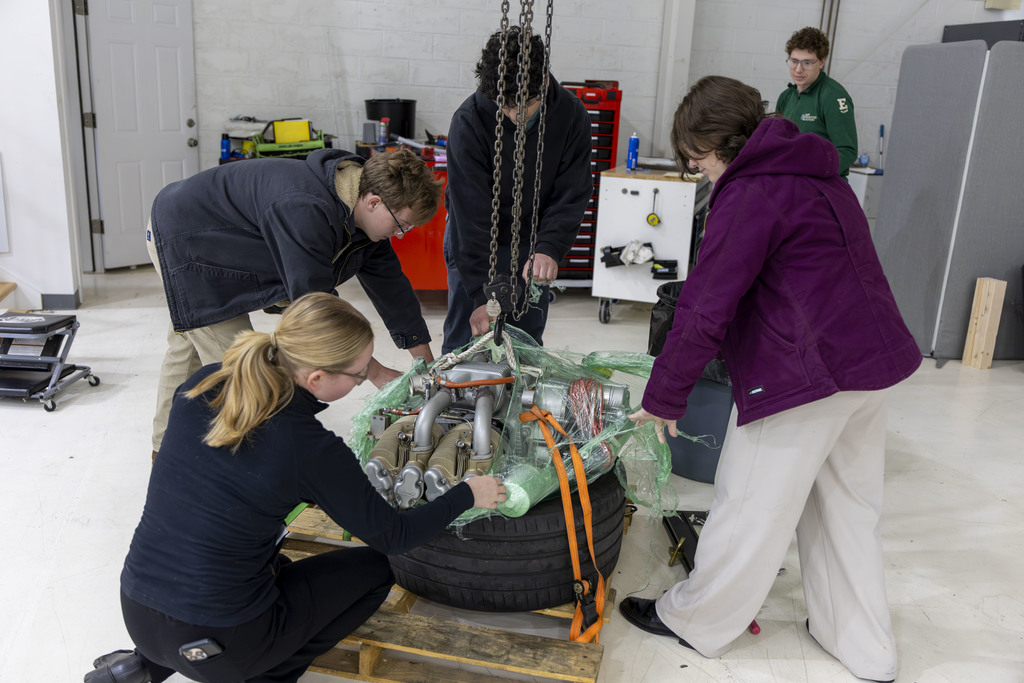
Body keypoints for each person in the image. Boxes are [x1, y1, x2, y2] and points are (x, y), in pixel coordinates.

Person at [619, 76, 921, 683]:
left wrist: (663, 397)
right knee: (848, 508)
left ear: (718, 143)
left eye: (696, 158)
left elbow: (706, 305)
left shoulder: (749, 192)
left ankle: (697, 621)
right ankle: (864, 646)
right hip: (871, 365)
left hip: (806, 375)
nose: (696, 170)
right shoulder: (819, 175)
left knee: (749, 504)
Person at [85, 292, 507, 683]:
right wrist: (469, 492)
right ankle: (264, 673)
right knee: (379, 569)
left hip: (138, 612)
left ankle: (141, 669)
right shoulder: (308, 448)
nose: (361, 382)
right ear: (318, 378)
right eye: (359, 376)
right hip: (222, 639)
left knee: (264, 561)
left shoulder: (204, 382)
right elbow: (394, 536)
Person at [146, 147, 443, 458]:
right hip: (187, 240)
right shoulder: (305, 208)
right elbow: (312, 307)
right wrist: (372, 370)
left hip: (211, 233)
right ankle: (252, 468)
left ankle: (162, 452)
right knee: (241, 367)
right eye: (402, 225)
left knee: (186, 348)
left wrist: (426, 364)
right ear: (373, 202)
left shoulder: (360, 208)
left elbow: (391, 286)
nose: (400, 234)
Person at [442, 26, 593, 353]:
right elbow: (470, 218)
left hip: (533, 237)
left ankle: (520, 397)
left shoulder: (572, 117)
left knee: (524, 342)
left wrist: (550, 245)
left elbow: (572, 192)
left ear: (543, 84)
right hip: (474, 236)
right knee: (467, 335)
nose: (512, 115)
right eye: (504, 106)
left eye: (522, 105)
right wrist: (482, 296)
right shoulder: (468, 123)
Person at [775, 26, 857, 178]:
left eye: (807, 63)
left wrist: (812, 173)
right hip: (790, 183)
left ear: (821, 62)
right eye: (794, 61)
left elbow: (847, 151)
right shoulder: (785, 97)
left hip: (822, 188)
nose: (798, 69)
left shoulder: (833, 96)